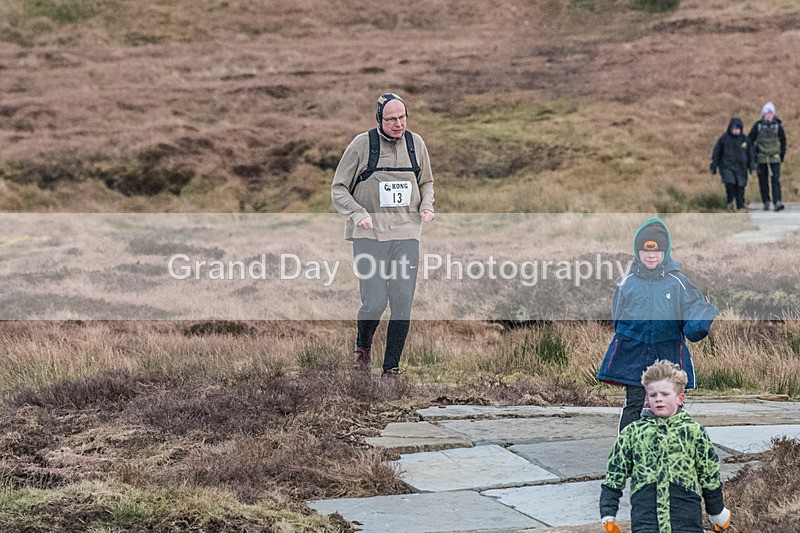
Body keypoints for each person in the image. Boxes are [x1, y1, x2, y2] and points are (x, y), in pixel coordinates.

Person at [331, 92, 435, 376]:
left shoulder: (416, 144)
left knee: (402, 302)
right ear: (379, 119)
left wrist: (427, 206)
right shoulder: (362, 145)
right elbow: (338, 189)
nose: (398, 124)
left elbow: (426, 182)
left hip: (406, 235)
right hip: (370, 237)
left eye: (402, 118)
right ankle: (362, 349)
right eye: (391, 119)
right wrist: (358, 213)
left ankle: (391, 370)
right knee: (375, 302)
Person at [597, 218, 718, 432]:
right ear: (637, 252)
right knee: (634, 402)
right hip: (634, 351)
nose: (651, 255)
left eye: (656, 251)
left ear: (665, 252)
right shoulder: (627, 282)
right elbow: (617, 316)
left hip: (667, 351)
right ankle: (627, 448)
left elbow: (695, 306)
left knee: (670, 404)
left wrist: (698, 324)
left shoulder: (678, 281)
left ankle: (672, 446)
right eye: (645, 250)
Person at [600, 360, 732, 533]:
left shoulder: (693, 432)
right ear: (647, 398)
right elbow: (615, 473)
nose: (659, 399)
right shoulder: (633, 433)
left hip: (685, 518)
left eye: (665, 394)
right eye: (653, 395)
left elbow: (709, 475)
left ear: (680, 398)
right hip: (646, 518)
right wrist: (608, 512)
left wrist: (716, 511)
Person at [747, 101, 787, 211]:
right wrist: (753, 154)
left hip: (774, 156)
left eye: (771, 113)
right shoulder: (758, 125)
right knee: (763, 180)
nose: (769, 115)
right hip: (761, 157)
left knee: (775, 180)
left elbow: (783, 141)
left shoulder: (778, 126)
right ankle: (766, 201)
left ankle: (777, 202)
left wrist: (782, 154)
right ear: (763, 114)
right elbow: (750, 139)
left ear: (774, 114)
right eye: (767, 113)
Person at [710, 116, 754, 211]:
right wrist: (714, 165)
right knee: (730, 184)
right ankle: (730, 202)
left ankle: (740, 205)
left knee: (740, 186)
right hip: (727, 166)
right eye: (733, 128)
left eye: (737, 129)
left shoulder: (744, 139)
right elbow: (717, 152)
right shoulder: (724, 139)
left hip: (741, 168)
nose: (735, 131)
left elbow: (750, 153)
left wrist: (751, 166)